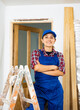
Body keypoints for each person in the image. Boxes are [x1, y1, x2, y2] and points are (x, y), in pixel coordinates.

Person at [26, 30, 65, 110]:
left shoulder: (59, 55)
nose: (49, 40)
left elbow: (61, 72)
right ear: (42, 40)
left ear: (54, 40)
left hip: (55, 90)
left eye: (51, 37)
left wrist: (41, 68)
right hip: (39, 89)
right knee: (35, 108)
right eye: (46, 37)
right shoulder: (36, 53)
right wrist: (54, 67)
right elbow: (36, 67)